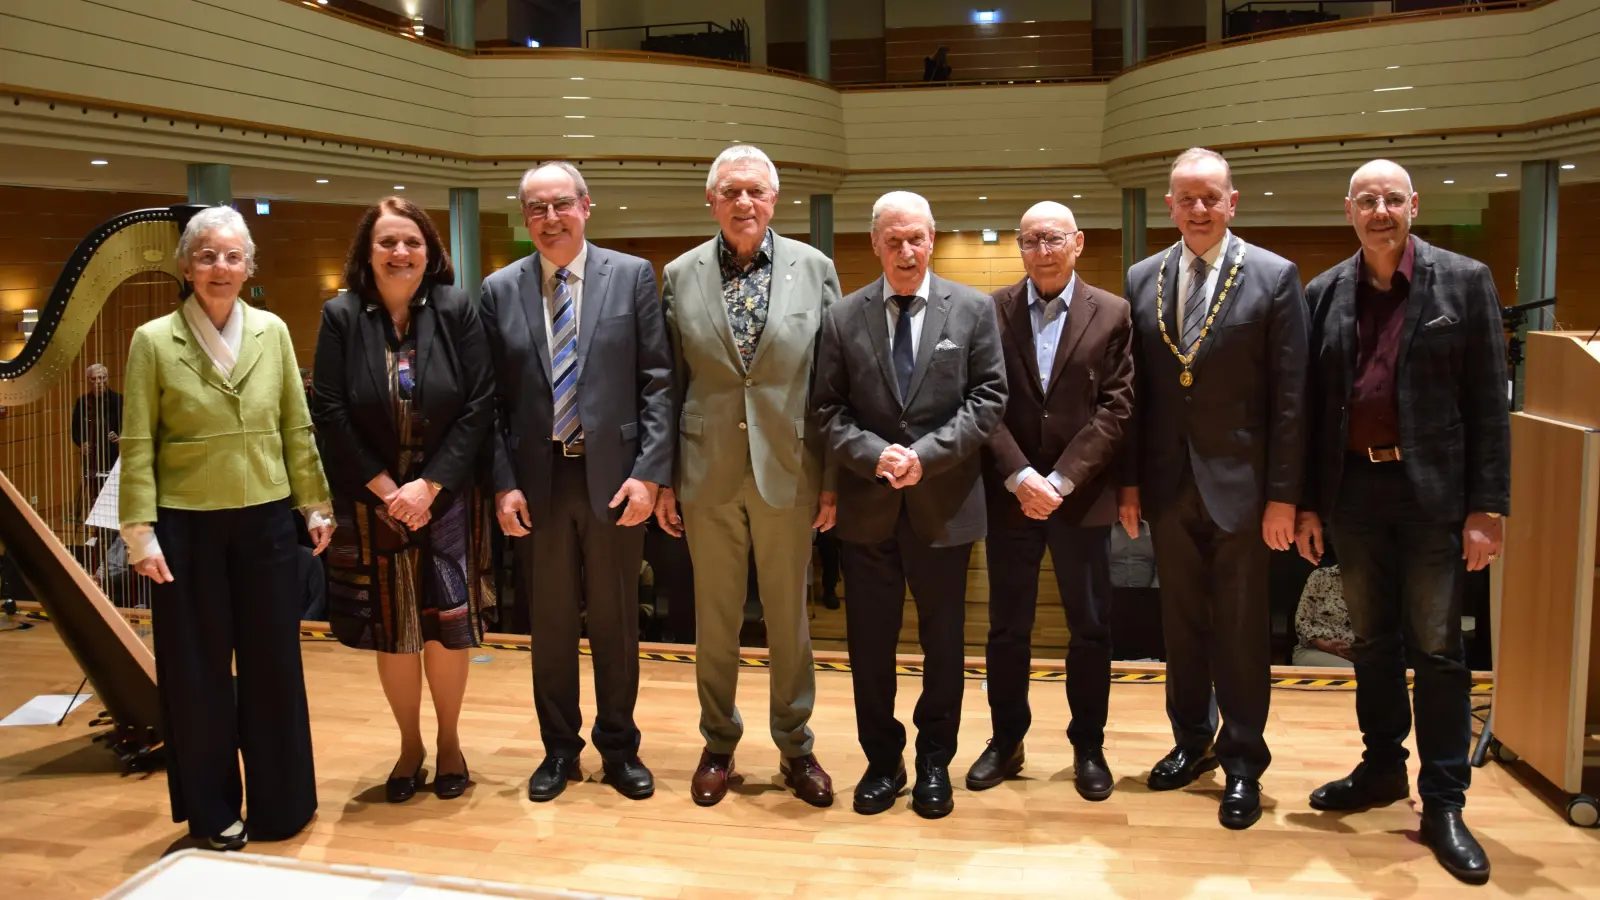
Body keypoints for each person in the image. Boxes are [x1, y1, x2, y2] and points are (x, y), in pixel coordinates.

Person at [1296, 159, 1508, 885]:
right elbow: (1313, 412)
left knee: (1439, 649)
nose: (1379, 210)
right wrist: (1307, 505)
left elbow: (1489, 403)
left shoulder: (1465, 280)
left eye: (1392, 198)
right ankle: (1383, 767)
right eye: (1366, 200)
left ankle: (1444, 800)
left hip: (1434, 498)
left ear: (1413, 205)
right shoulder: (1323, 292)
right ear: (1348, 210)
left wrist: (1488, 508)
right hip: (1353, 492)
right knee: (1373, 642)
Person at [120, 205, 333, 851]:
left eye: (232, 256)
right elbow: (138, 440)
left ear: (249, 267)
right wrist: (140, 531)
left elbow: (296, 425)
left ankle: (283, 805)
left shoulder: (272, 330)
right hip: (185, 530)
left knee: (273, 668)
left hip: (267, 522)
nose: (220, 268)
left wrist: (314, 502)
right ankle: (213, 813)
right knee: (197, 674)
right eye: (208, 255)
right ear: (186, 266)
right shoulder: (153, 341)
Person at [1119, 147, 1308, 830]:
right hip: (1169, 484)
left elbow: (1292, 398)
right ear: (1169, 205)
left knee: (1240, 629)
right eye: (1185, 199)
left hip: (1247, 489)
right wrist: (1131, 483)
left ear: (1233, 202)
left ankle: (1244, 761)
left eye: (1211, 198)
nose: (1198, 210)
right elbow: (1134, 395)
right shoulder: (1143, 278)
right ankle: (1191, 742)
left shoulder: (1274, 276)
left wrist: (1284, 495)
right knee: (1183, 625)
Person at [481, 160, 674, 803]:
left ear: (586, 206)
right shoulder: (500, 289)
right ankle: (559, 749)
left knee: (619, 621)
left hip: (615, 478)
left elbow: (658, 382)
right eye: (536, 208)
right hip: (538, 483)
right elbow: (491, 403)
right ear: (524, 217)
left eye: (561, 204)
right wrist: (503, 484)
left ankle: (619, 747)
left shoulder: (630, 277)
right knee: (552, 625)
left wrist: (650, 475)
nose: (550, 218)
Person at [655, 145, 841, 808]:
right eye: (730, 191)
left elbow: (831, 383)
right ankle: (719, 742)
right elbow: (668, 384)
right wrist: (666, 478)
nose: (743, 203)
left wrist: (831, 479)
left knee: (790, 617)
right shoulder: (679, 275)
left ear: (774, 200)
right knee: (716, 616)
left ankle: (795, 743)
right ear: (711, 201)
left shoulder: (815, 270)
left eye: (755, 191)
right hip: (706, 472)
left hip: (790, 471)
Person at [813, 191, 1006, 819]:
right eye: (893, 240)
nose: (905, 251)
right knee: (870, 647)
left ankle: (933, 762)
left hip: (943, 508)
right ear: (874, 243)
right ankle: (882, 760)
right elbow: (826, 410)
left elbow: (988, 399)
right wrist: (875, 455)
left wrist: (925, 453)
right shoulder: (842, 317)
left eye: (916, 238)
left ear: (931, 238)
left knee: (945, 645)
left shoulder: (973, 309)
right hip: (868, 510)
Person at [312, 196, 497, 804]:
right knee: (395, 630)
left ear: (430, 251)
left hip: (444, 497)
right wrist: (390, 490)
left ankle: (448, 743)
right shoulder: (341, 315)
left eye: (411, 242)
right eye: (387, 242)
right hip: (375, 502)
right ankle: (409, 746)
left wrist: (430, 484)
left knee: (446, 627)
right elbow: (331, 412)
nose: (400, 253)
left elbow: (478, 404)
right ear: (367, 253)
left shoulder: (456, 307)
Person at [968, 201, 1132, 801]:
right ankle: (1005, 740)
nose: (1042, 250)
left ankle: (1089, 745)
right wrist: (1019, 477)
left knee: (1091, 628)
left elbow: (1118, 408)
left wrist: (1059, 481)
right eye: (1032, 239)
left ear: (1078, 243)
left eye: (1053, 238)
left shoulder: (1113, 313)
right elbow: (983, 402)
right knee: (1007, 628)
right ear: (1019, 247)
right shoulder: (991, 311)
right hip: (1010, 498)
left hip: (1079, 499)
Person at [71, 363, 123, 520]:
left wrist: (120, 437)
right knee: (96, 494)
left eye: (102, 378)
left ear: (107, 378)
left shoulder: (118, 400)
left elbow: (129, 424)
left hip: (112, 454)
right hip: (92, 455)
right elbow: (75, 429)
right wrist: (83, 443)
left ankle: (114, 529)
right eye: (94, 379)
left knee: (114, 493)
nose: (99, 382)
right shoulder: (83, 402)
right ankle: (98, 529)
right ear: (89, 381)